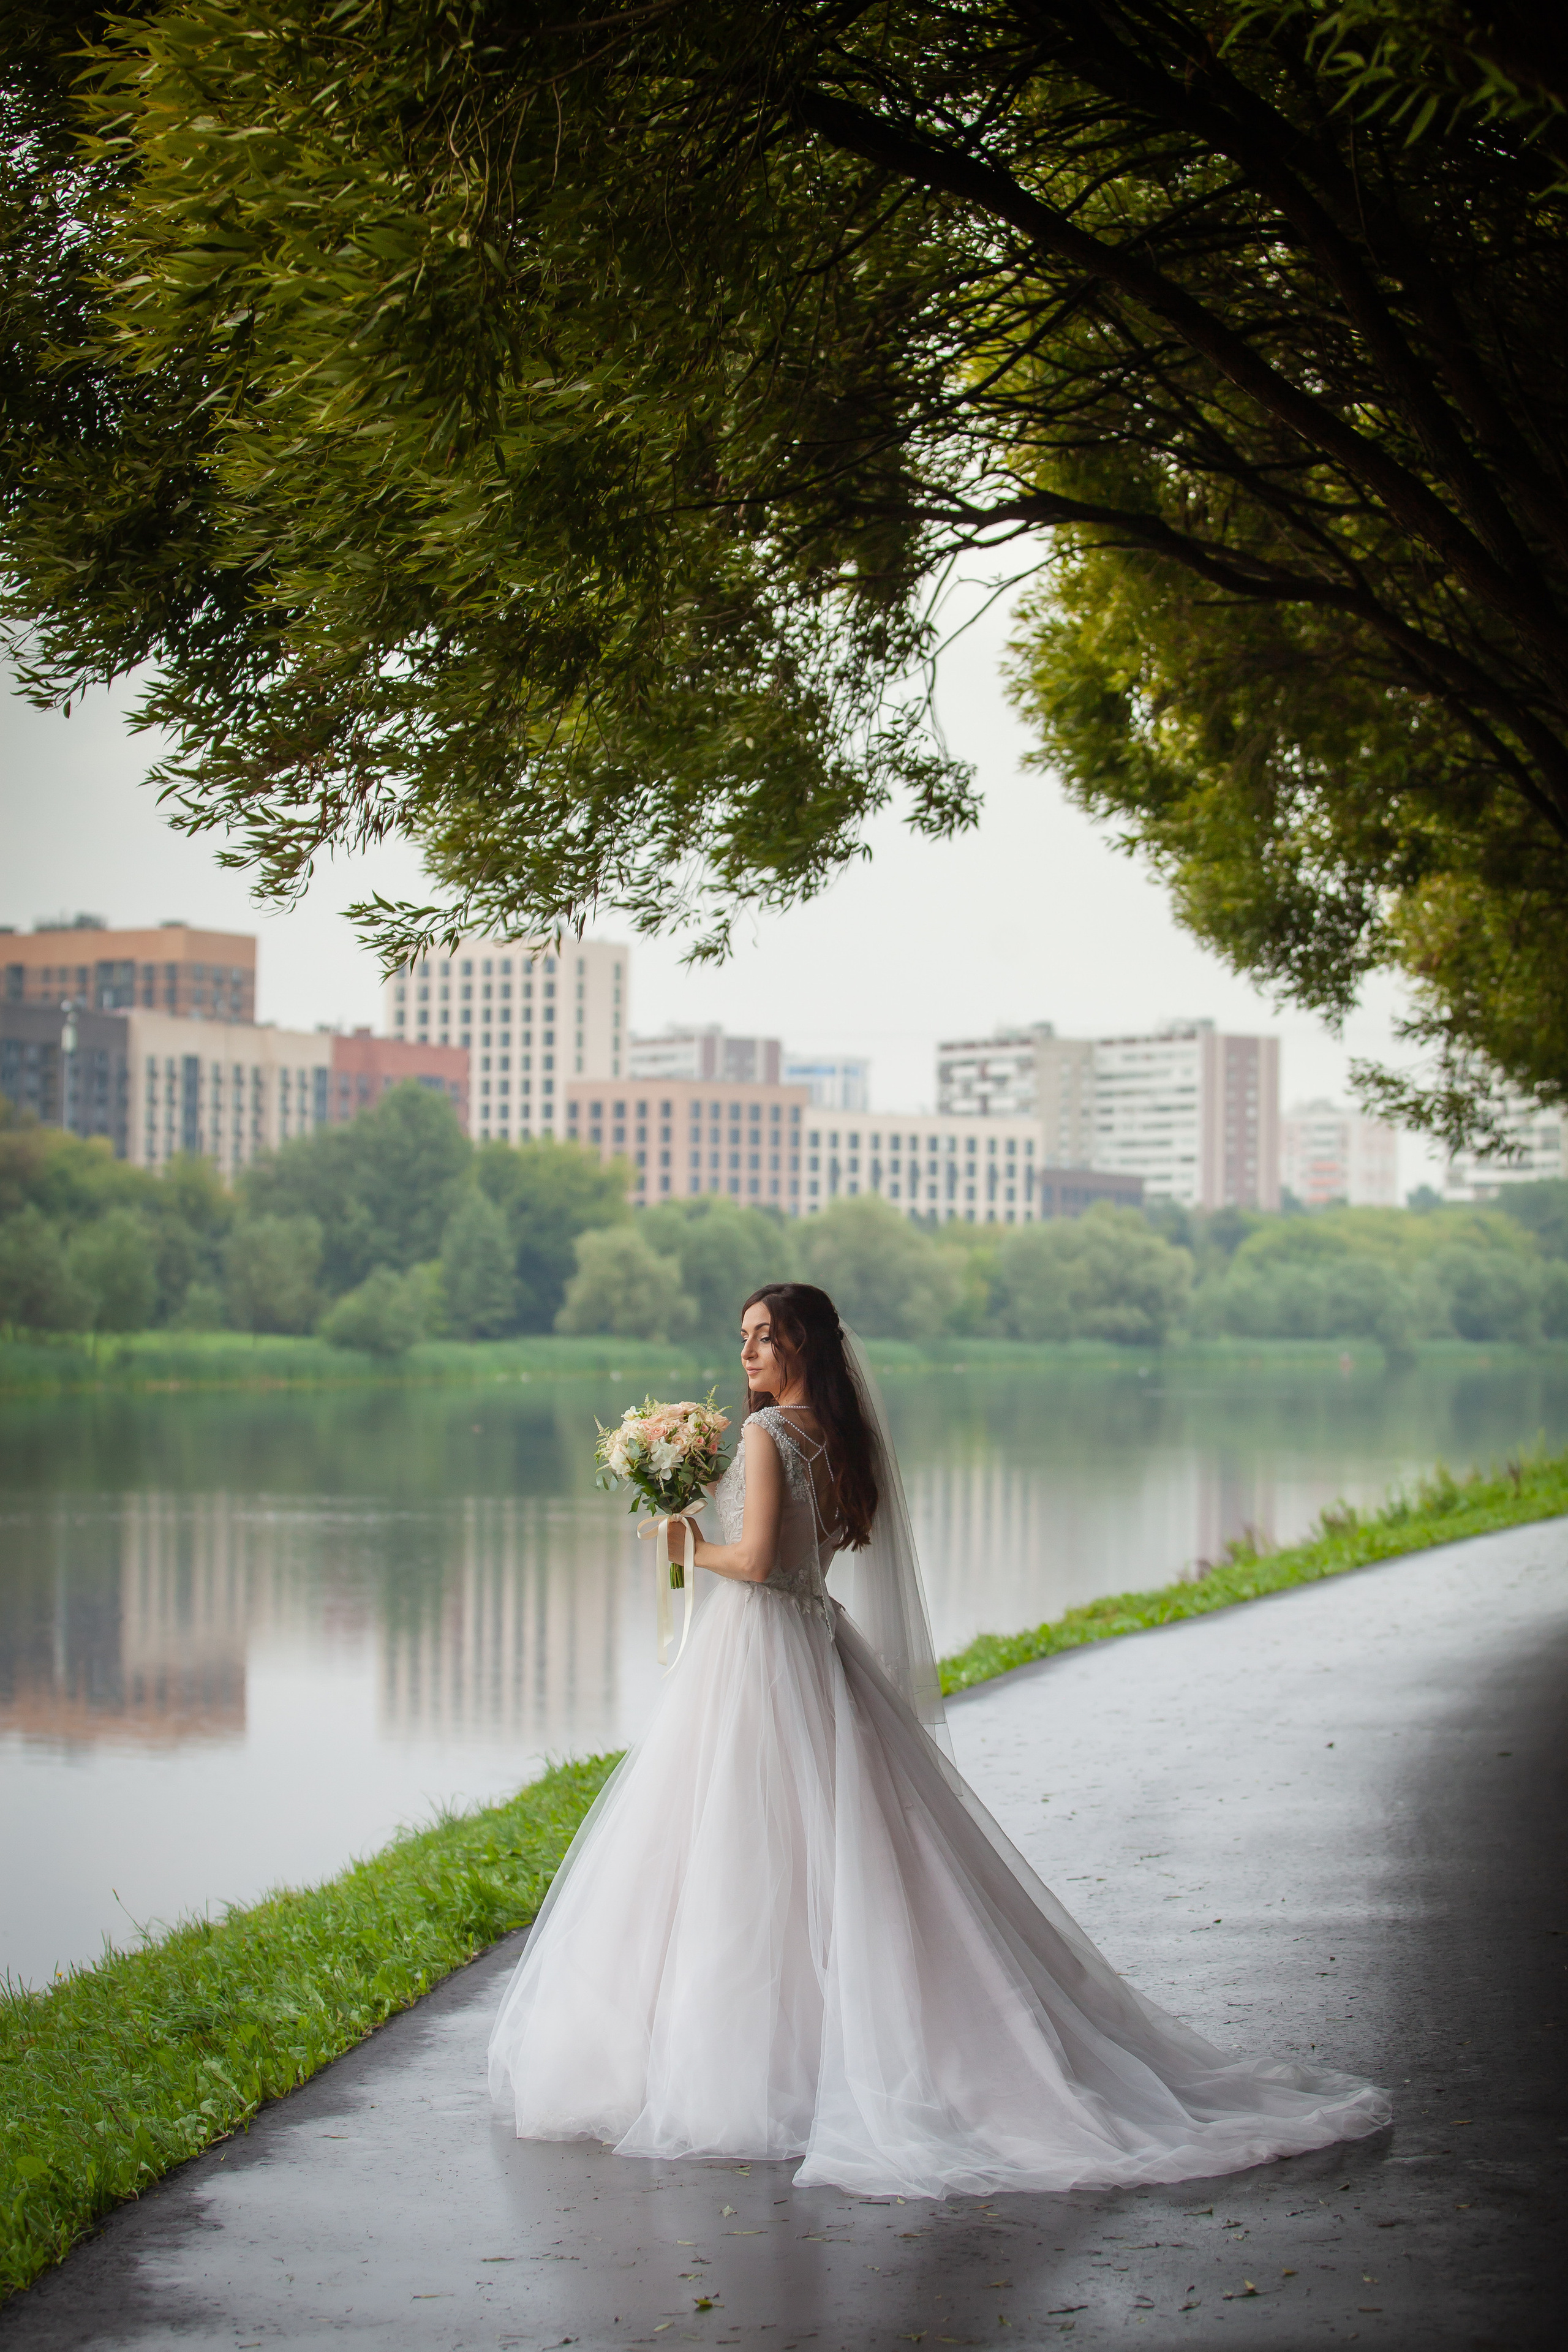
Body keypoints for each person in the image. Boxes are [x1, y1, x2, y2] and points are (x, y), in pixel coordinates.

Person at [488, 1283, 1389, 2196]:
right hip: (818, 1644)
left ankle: (752, 2067)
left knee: (742, 1847)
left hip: (759, 1652)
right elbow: (807, 1551)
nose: (749, 1354)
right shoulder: (838, 1435)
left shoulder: (765, 1437)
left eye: (765, 1337)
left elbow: (758, 1565)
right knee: (833, 1851)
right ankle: (832, 2049)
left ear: (804, 1343)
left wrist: (685, 1545)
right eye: (744, 1339)